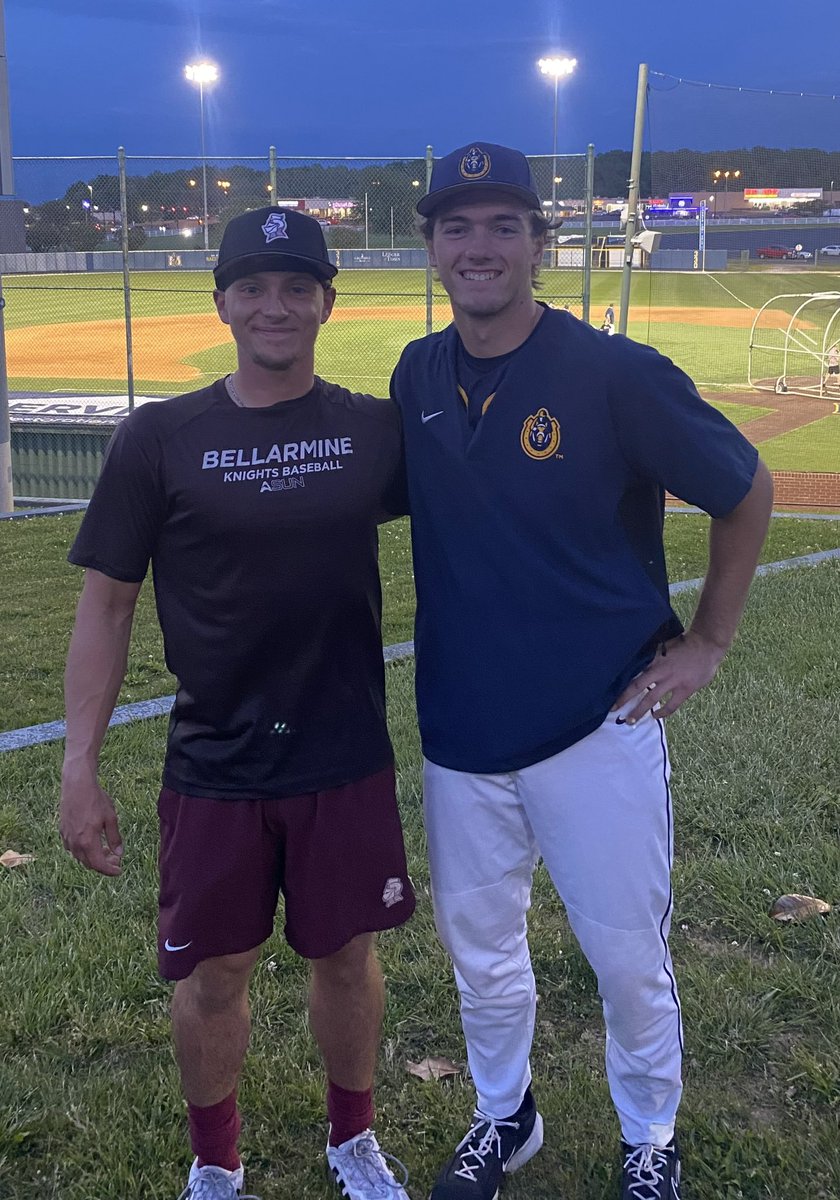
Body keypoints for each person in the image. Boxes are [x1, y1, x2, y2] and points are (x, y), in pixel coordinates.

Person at [390, 142, 774, 1200]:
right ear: (430, 246)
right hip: (461, 729)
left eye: (503, 225)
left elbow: (746, 490)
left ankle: (649, 1134)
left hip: (595, 721)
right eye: (457, 226)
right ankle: (504, 1117)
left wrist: (708, 642)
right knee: (481, 954)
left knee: (623, 956)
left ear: (539, 245)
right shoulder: (418, 372)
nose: (478, 246)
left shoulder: (613, 373)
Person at [60, 207, 415, 1200]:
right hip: (215, 764)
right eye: (252, 287)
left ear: (327, 305)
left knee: (346, 960)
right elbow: (108, 601)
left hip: (343, 755)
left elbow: (486, 503)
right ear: (220, 304)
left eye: (297, 286)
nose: (275, 305)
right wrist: (78, 764)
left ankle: (354, 1141)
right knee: (215, 975)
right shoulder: (161, 438)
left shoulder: (368, 430)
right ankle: (216, 1162)